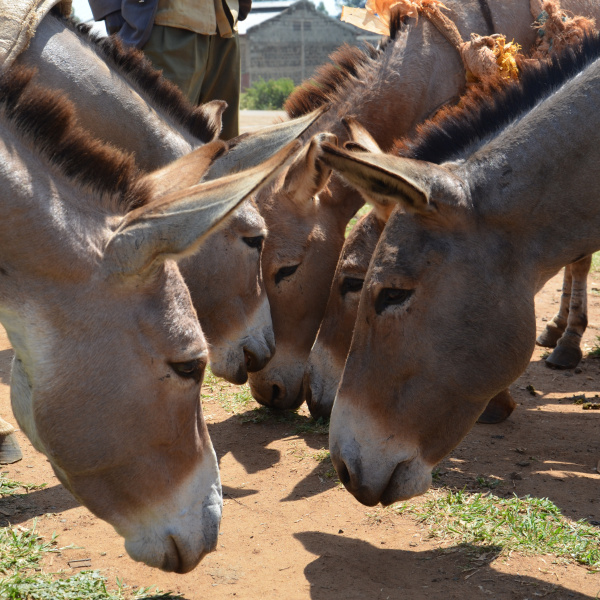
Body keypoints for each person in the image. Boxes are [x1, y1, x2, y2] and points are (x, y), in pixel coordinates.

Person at [88, 0, 251, 139]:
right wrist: (112, 11)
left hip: (225, 26)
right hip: (164, 25)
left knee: (224, 154)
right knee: (162, 152)